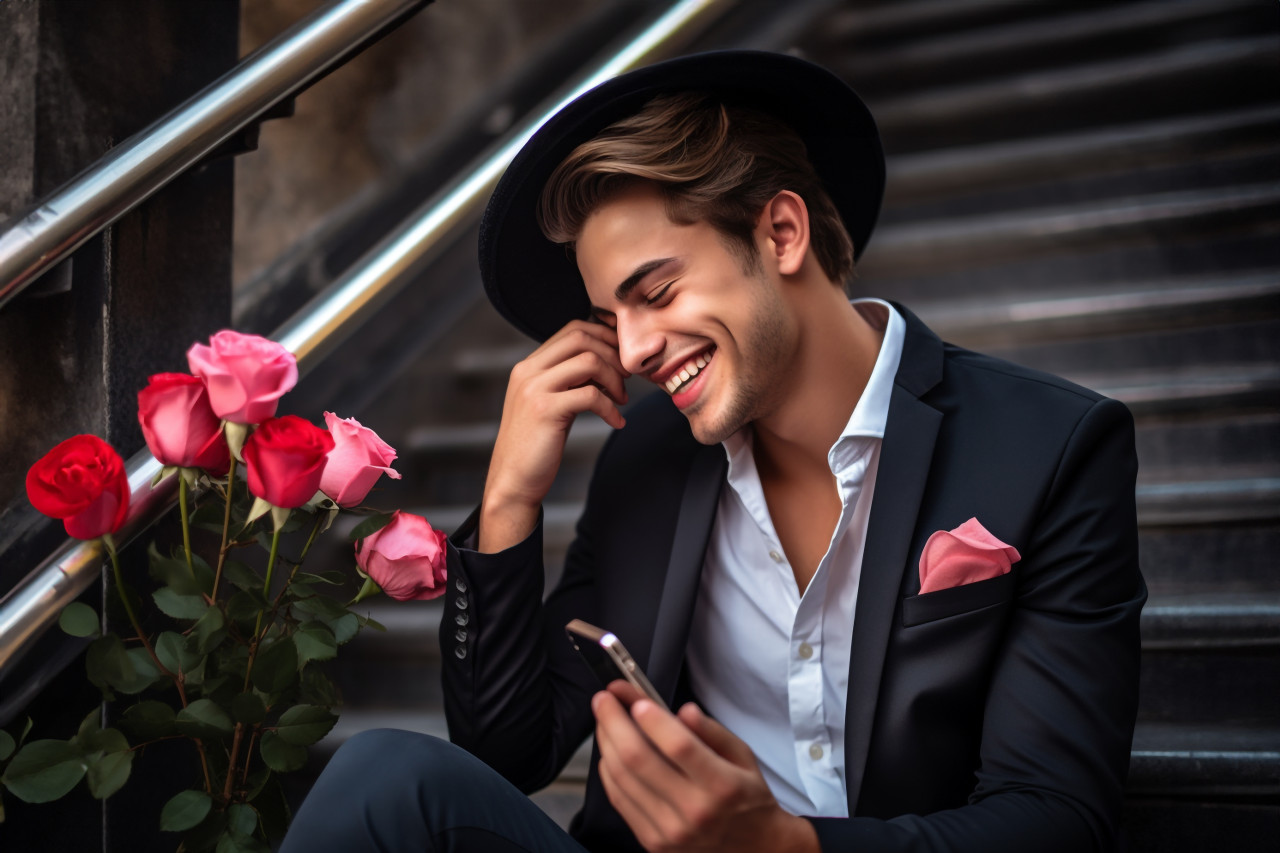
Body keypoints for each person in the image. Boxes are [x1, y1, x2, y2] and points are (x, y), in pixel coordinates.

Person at [282, 50, 1145, 852]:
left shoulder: (1050, 447)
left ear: (780, 233)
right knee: (384, 775)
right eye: (610, 317)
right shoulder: (648, 457)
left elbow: (1056, 816)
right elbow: (510, 751)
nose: (630, 351)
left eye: (655, 292)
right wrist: (509, 498)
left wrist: (782, 844)